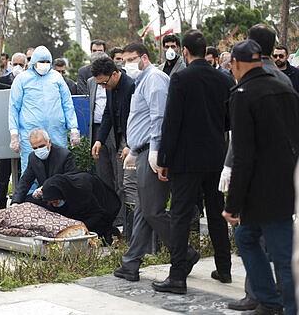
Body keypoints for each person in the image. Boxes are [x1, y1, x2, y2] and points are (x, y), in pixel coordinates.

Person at [220, 23, 295, 312]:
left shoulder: (243, 95)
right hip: (285, 181)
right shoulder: (284, 86)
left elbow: (244, 154)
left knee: (283, 256)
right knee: (247, 237)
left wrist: (232, 203)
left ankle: (285, 306)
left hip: (263, 190)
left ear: (236, 64)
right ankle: (269, 298)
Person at [153, 30, 232, 294]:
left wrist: (164, 158)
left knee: (180, 215)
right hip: (215, 155)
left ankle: (177, 276)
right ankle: (224, 268)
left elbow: (171, 121)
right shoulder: (223, 78)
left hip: (186, 159)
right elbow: (228, 121)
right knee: (216, 211)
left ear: (184, 51)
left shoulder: (181, 78)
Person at [115, 42, 201, 282]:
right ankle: (131, 263)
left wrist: (154, 151)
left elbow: (159, 117)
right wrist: (134, 148)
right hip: (142, 151)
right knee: (144, 210)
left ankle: (185, 253)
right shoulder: (142, 80)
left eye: (131, 59)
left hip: (153, 153)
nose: (127, 64)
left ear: (144, 57)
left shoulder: (154, 78)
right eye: (124, 60)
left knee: (152, 210)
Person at [9, 45, 79, 176]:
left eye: (47, 62)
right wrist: (14, 134)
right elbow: (13, 108)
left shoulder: (57, 78)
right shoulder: (22, 79)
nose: (44, 65)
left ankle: (58, 196)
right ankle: (30, 196)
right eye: (41, 62)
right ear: (33, 62)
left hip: (56, 133)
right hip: (31, 134)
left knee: (59, 168)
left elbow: (67, 104)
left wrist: (74, 129)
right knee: (31, 170)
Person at [90, 56, 136, 237]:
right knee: (118, 183)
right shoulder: (110, 88)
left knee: (127, 185)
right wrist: (99, 140)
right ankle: (124, 227)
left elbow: (136, 118)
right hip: (117, 139)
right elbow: (108, 114)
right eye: (99, 84)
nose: (103, 87)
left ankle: (131, 229)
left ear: (115, 74)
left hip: (131, 139)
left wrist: (130, 144)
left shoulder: (130, 86)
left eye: (104, 83)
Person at [0, 52, 27, 212]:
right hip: (5, 130)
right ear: (11, 63)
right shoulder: (1, 81)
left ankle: (20, 201)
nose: (17, 67)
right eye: (15, 63)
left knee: (21, 169)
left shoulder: (27, 80)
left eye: (21, 64)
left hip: (24, 130)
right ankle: (0, 200)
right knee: (3, 170)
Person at [42, 172, 121, 244]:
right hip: (80, 210)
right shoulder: (54, 196)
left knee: (102, 238)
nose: (54, 205)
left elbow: (99, 213)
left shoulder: (82, 191)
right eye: (51, 202)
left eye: (56, 202)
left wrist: (82, 227)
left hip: (101, 207)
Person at [11, 128, 76, 206]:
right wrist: (15, 202)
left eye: (41, 146)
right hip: (45, 198)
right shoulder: (33, 157)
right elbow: (25, 181)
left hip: (62, 197)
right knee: (25, 203)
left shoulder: (65, 155)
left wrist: (45, 187)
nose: (39, 150)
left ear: (49, 142)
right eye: (35, 148)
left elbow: (70, 181)